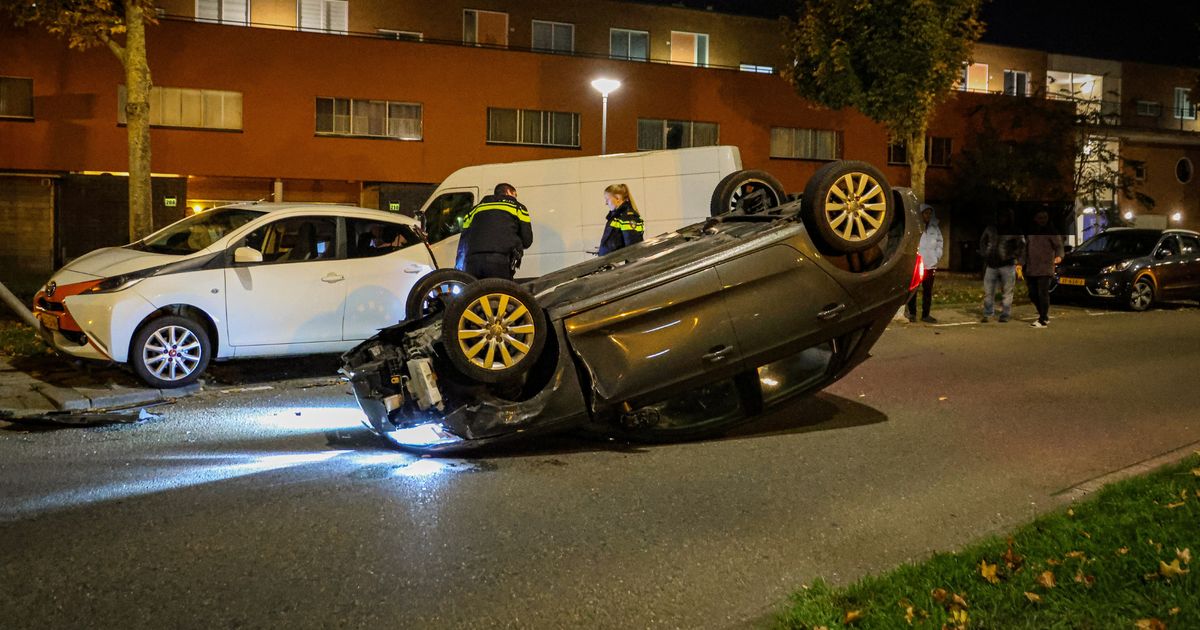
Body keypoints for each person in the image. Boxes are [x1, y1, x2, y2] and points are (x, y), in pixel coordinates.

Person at [456, 183, 533, 280]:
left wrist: (459, 268)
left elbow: (464, 241)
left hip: (472, 263)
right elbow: (527, 240)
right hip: (499, 262)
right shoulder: (518, 208)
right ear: (509, 192)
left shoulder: (474, 210)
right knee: (499, 292)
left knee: (476, 294)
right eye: (515, 195)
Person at [979, 208, 1026, 323]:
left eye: (1004, 216)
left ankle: (1005, 314)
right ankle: (988, 313)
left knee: (1007, 291)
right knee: (988, 291)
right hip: (991, 264)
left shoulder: (1015, 230)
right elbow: (983, 241)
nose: (1002, 219)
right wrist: (985, 254)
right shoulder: (991, 228)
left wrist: (1015, 258)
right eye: (1000, 216)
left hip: (1007, 265)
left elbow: (1022, 246)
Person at [1020, 209, 1064, 328]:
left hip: (1045, 267)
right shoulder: (1030, 231)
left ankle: (1042, 318)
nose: (1042, 221)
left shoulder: (1051, 231)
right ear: (1035, 219)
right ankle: (1043, 315)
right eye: (1040, 218)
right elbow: (1025, 249)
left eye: (1044, 218)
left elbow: (1059, 245)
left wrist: (1059, 256)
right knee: (1032, 294)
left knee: (1042, 293)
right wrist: (1020, 263)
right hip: (1031, 267)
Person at [906, 204, 942, 323]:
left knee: (928, 291)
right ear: (920, 214)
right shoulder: (915, 228)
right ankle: (912, 314)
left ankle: (926, 315)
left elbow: (939, 243)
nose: (928, 215)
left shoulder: (934, 228)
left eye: (929, 213)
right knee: (913, 290)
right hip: (917, 265)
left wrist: (936, 257)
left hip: (930, 265)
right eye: (925, 213)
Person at [597, 183, 645, 256]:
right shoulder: (617, 216)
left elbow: (632, 249)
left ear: (617, 198)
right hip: (611, 264)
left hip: (619, 265)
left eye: (607, 199)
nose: (606, 203)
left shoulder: (628, 218)